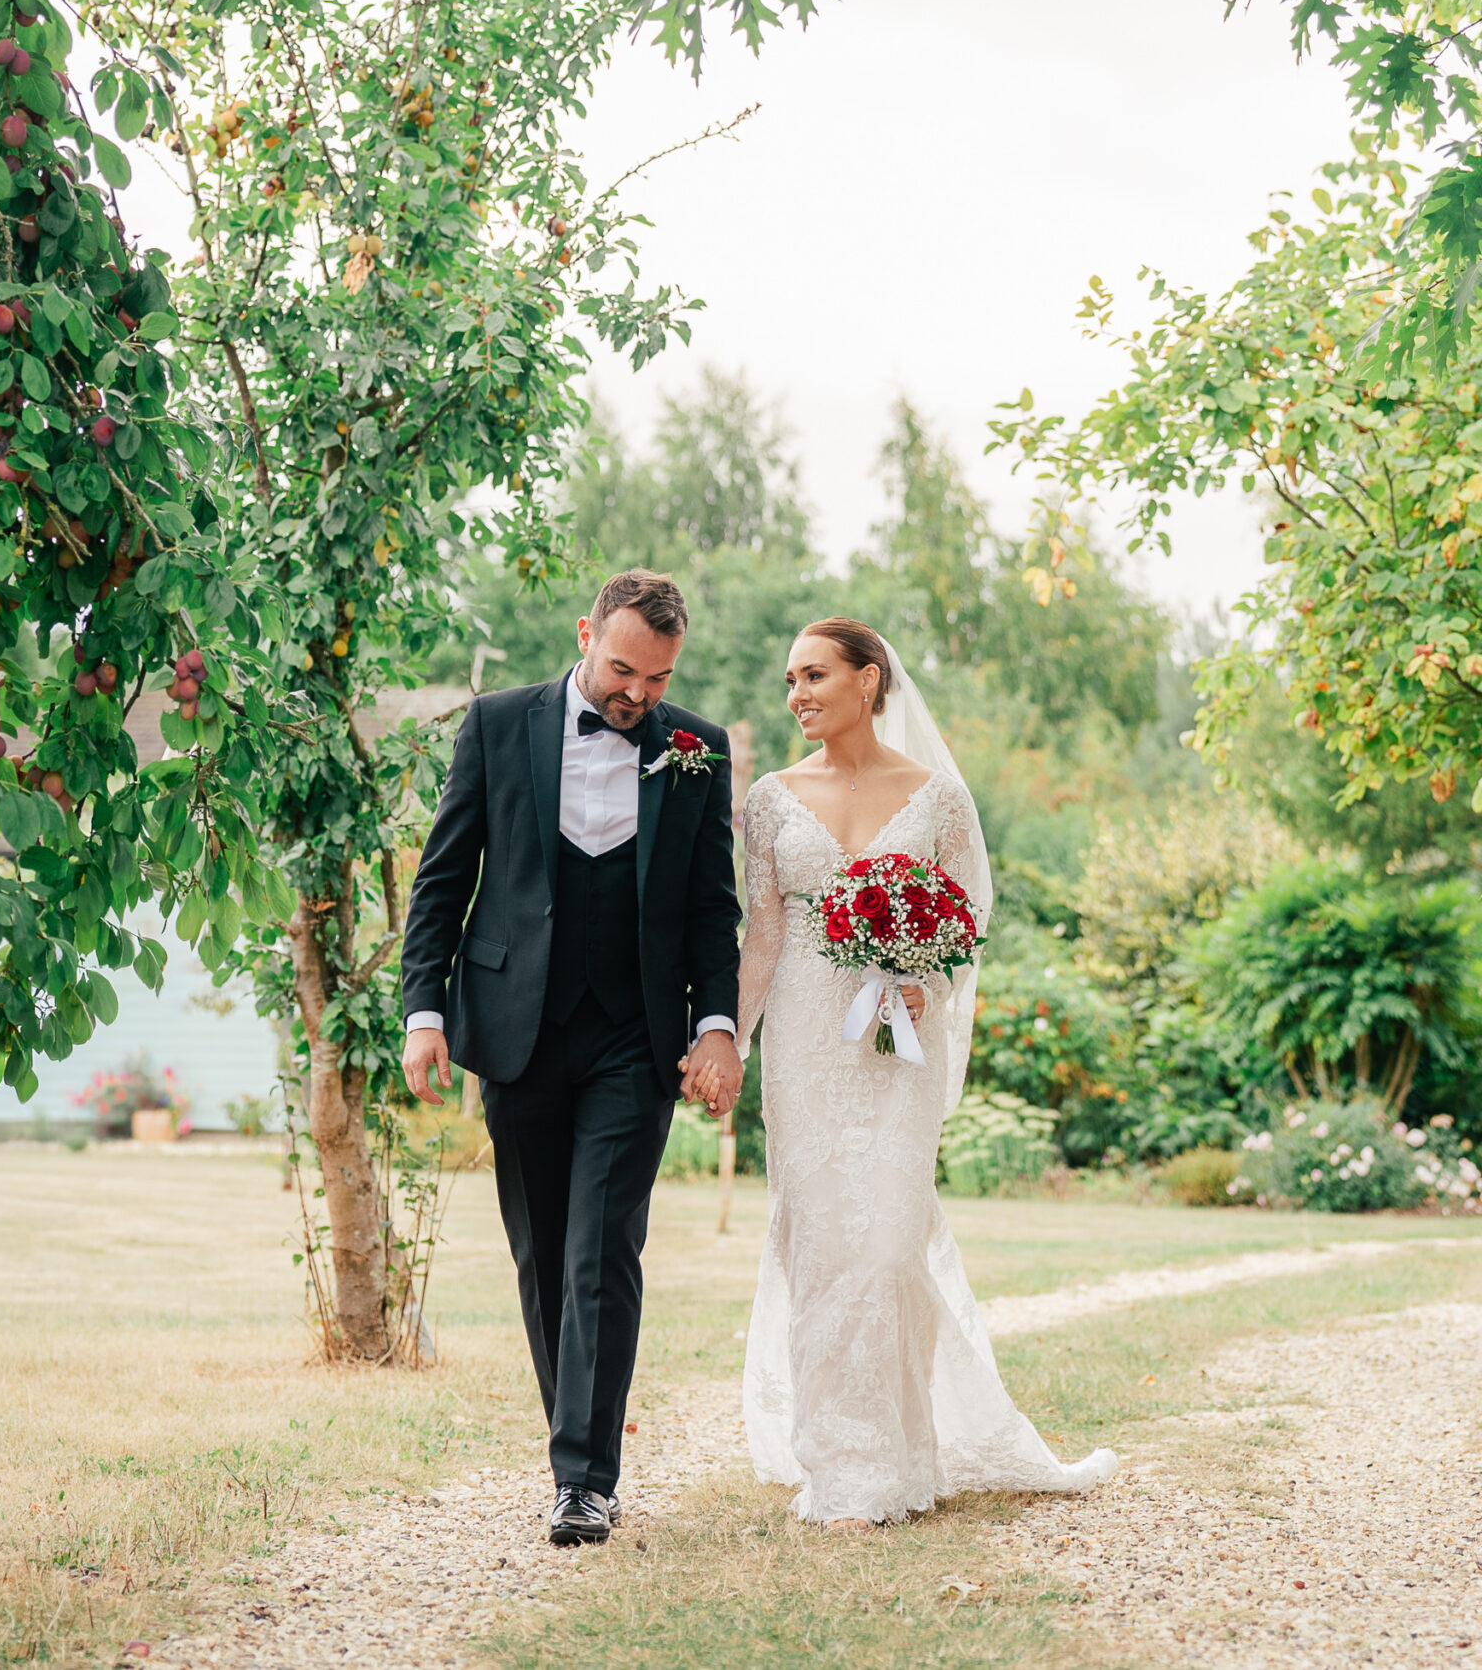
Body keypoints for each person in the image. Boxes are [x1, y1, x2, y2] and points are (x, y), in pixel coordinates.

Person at [701, 618, 1118, 1528]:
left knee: (888, 1245)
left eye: (814, 675)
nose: (797, 695)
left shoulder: (937, 799)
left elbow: (964, 920)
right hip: (808, 1043)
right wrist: (727, 1036)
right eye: (789, 681)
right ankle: (845, 1466)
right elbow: (764, 933)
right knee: (820, 1245)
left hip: (898, 1047)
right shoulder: (772, 799)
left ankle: (903, 1448)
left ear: (868, 679)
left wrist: (924, 973)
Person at [399, 569, 744, 1547]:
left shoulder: (694, 750)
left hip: (635, 1038)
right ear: (585, 633)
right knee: (543, 1255)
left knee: (603, 1248)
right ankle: (576, 1433)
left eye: (657, 678)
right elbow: (441, 882)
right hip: (518, 1030)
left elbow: (712, 911)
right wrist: (424, 1011)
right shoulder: (497, 724)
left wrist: (714, 1022)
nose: (637, 695)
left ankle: (583, 1480)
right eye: (623, 670)